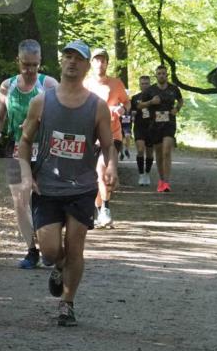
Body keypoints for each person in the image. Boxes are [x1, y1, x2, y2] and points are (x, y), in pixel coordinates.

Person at [17, 40, 117, 327]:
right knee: (49, 251)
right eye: (67, 57)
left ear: (87, 66)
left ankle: (67, 303)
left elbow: (109, 145)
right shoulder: (42, 101)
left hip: (82, 186)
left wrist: (110, 167)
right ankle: (59, 266)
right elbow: (25, 141)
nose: (72, 62)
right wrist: (25, 173)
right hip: (46, 186)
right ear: (61, 62)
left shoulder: (97, 106)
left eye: (78, 58)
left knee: (76, 247)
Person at [0, 40, 59, 268]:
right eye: (25, 65)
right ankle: (31, 250)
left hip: (44, 150)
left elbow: (60, 117)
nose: (29, 70)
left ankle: (51, 245)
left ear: (40, 63)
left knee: (45, 199)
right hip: (16, 148)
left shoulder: (48, 84)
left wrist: (36, 124)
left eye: (34, 65)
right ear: (18, 61)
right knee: (20, 201)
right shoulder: (7, 86)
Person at [84, 49, 130, 228]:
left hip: (113, 135)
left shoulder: (116, 83)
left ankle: (106, 210)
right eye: (97, 60)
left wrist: (122, 110)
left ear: (107, 63)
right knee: (96, 177)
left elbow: (127, 101)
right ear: (91, 64)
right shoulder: (86, 84)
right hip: (91, 136)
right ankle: (99, 211)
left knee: (102, 169)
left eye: (103, 61)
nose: (100, 64)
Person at [145, 65, 184, 192]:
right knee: (159, 154)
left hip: (169, 123)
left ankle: (167, 182)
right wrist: (150, 102)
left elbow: (181, 100)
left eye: (163, 73)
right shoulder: (150, 90)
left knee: (167, 151)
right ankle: (161, 180)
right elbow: (139, 105)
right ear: (156, 76)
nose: (161, 75)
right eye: (159, 73)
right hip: (154, 125)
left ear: (166, 75)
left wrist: (177, 109)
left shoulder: (174, 89)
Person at [130, 74, 156, 186]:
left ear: (150, 84)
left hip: (152, 127)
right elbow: (130, 112)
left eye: (146, 83)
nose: (144, 85)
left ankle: (147, 174)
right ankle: (141, 174)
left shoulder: (155, 97)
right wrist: (132, 113)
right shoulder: (135, 98)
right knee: (140, 150)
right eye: (142, 84)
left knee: (150, 154)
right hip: (139, 127)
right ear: (139, 85)